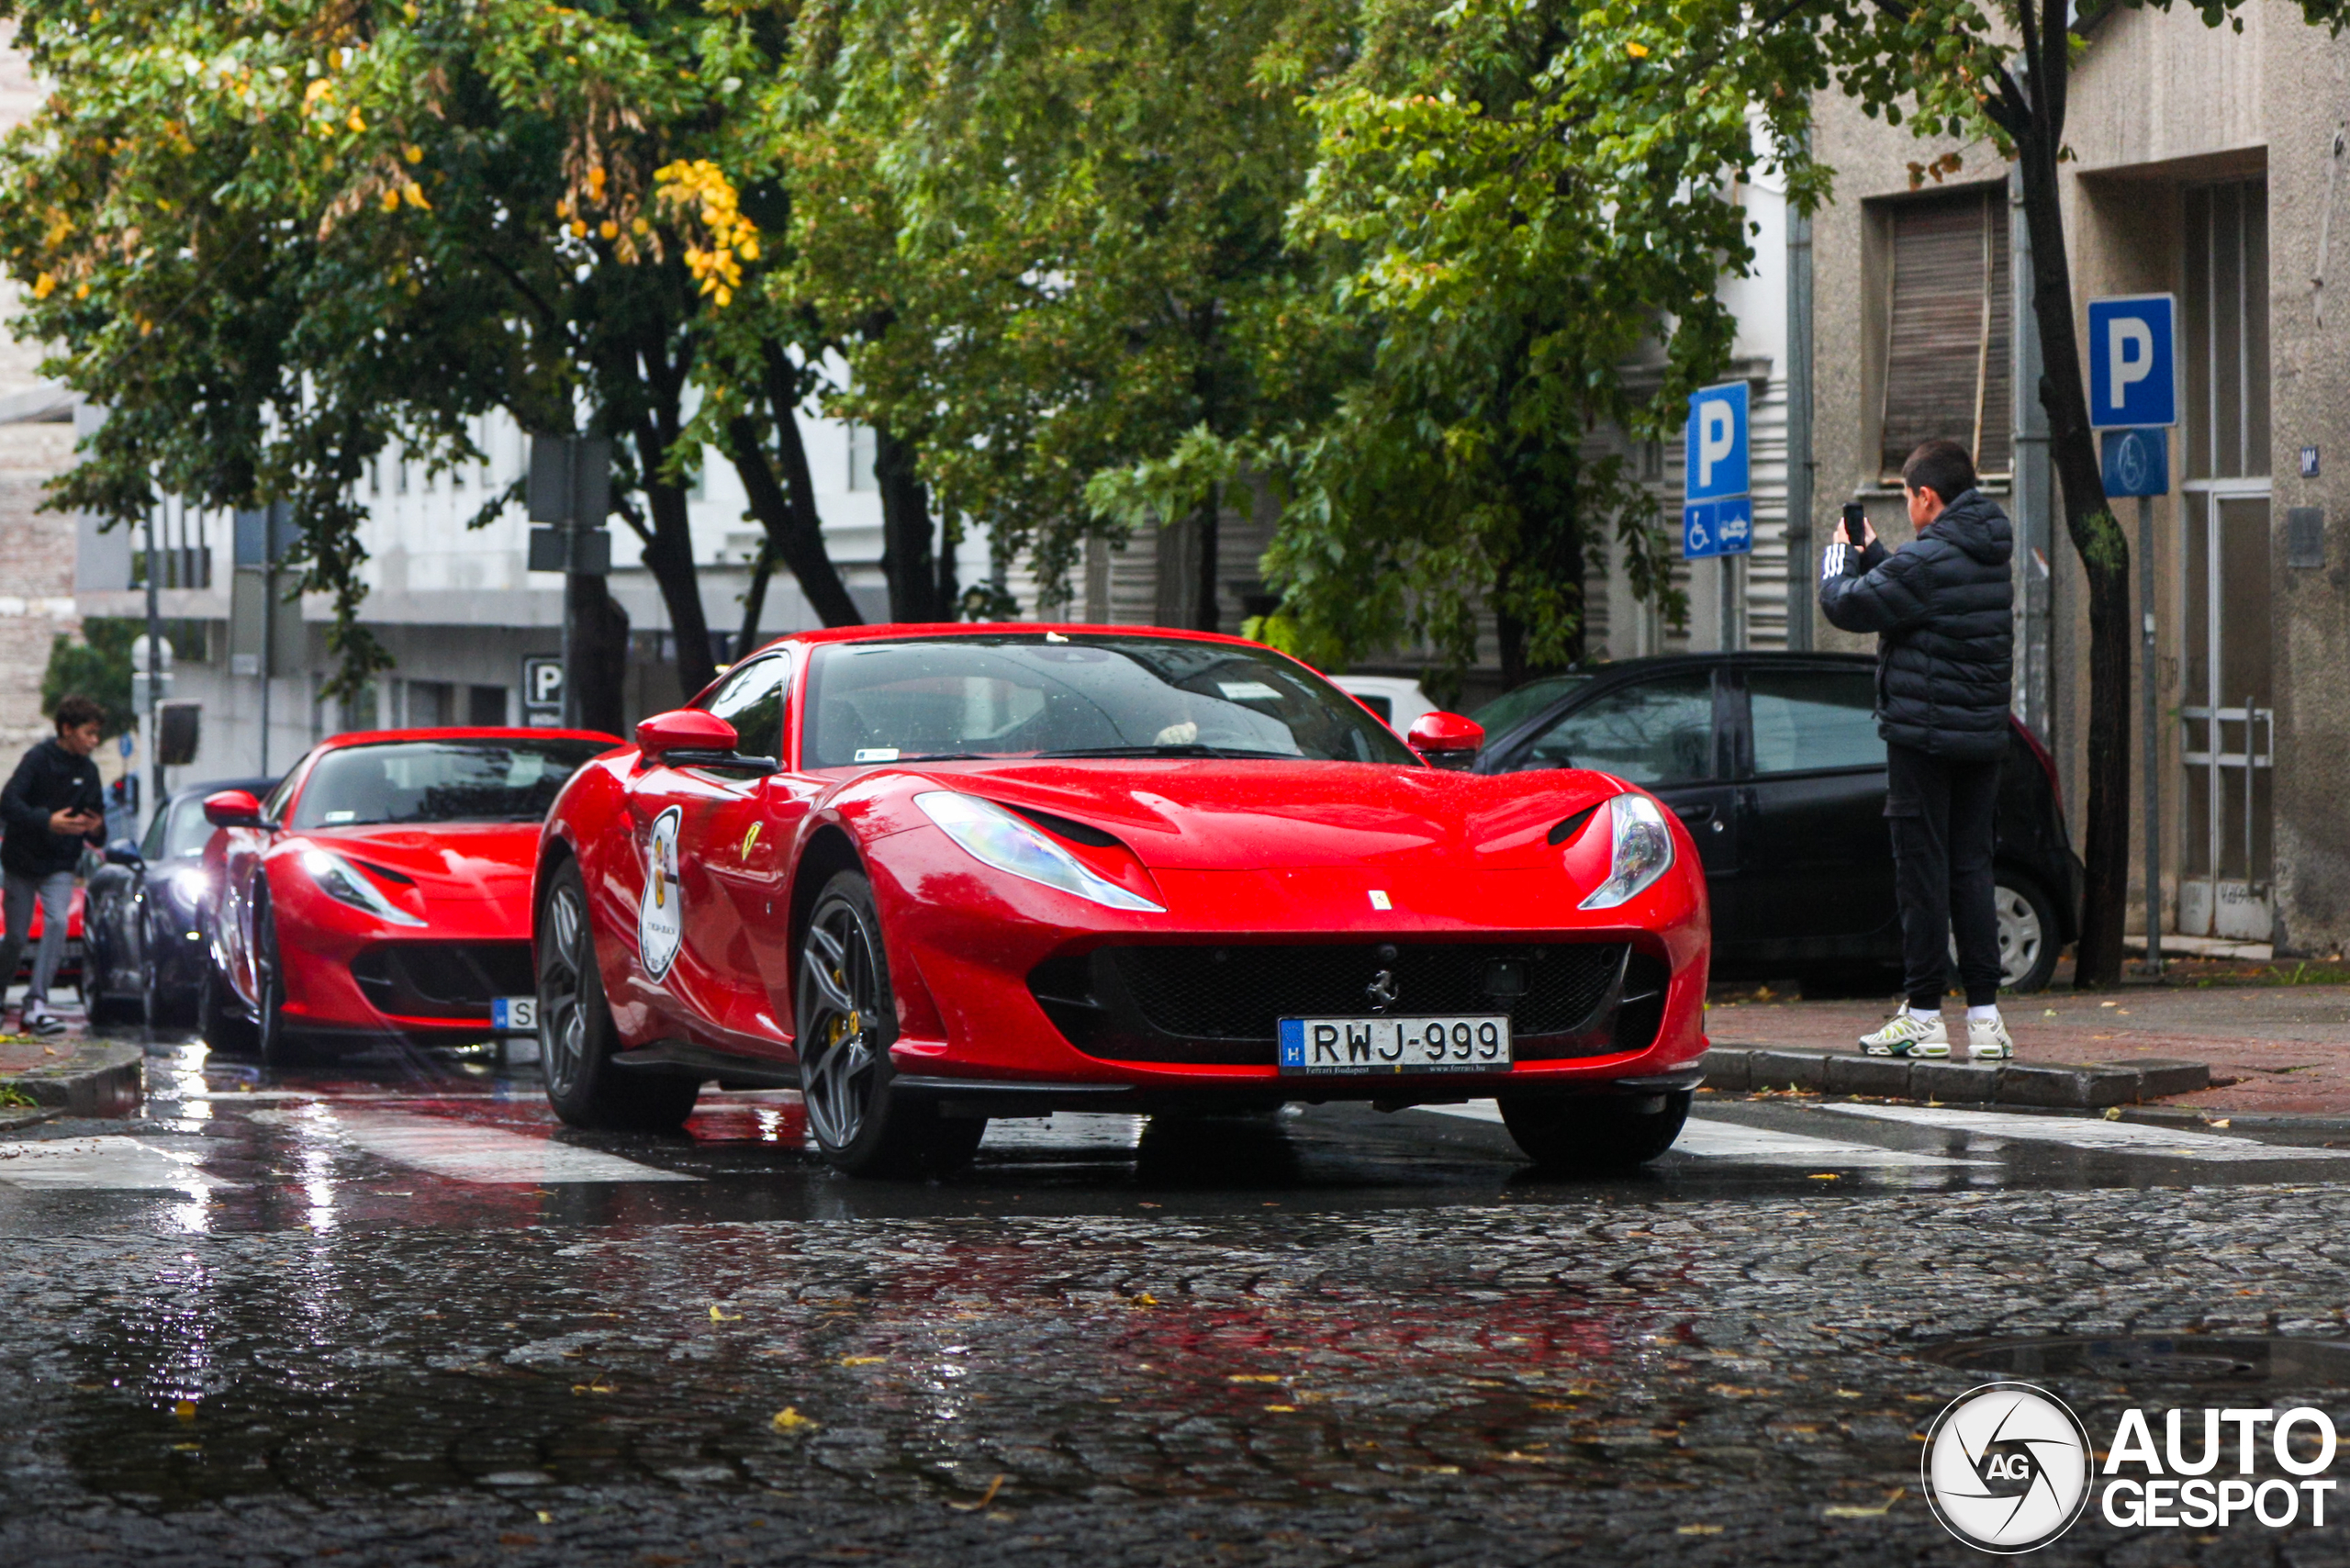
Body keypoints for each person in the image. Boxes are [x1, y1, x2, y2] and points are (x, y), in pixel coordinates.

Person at [1818, 439, 2017, 1061]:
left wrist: (1838, 557)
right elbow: (1915, 597)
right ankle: (1986, 1021)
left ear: (1928, 497)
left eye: (1908, 497)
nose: (1908, 507)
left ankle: (1924, 1015)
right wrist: (1875, 552)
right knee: (1972, 871)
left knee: (1922, 875)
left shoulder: (1930, 561)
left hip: (1922, 739)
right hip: (1980, 739)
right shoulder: (1985, 552)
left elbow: (1849, 603)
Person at [0, 695, 107, 1036]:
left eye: (97, 734)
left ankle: (36, 1005)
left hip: (60, 863)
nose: (94, 741)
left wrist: (96, 828)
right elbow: (8, 803)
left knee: (58, 922)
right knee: (16, 937)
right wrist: (47, 821)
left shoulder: (89, 771)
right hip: (21, 862)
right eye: (89, 733)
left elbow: (99, 827)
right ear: (67, 729)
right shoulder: (37, 760)